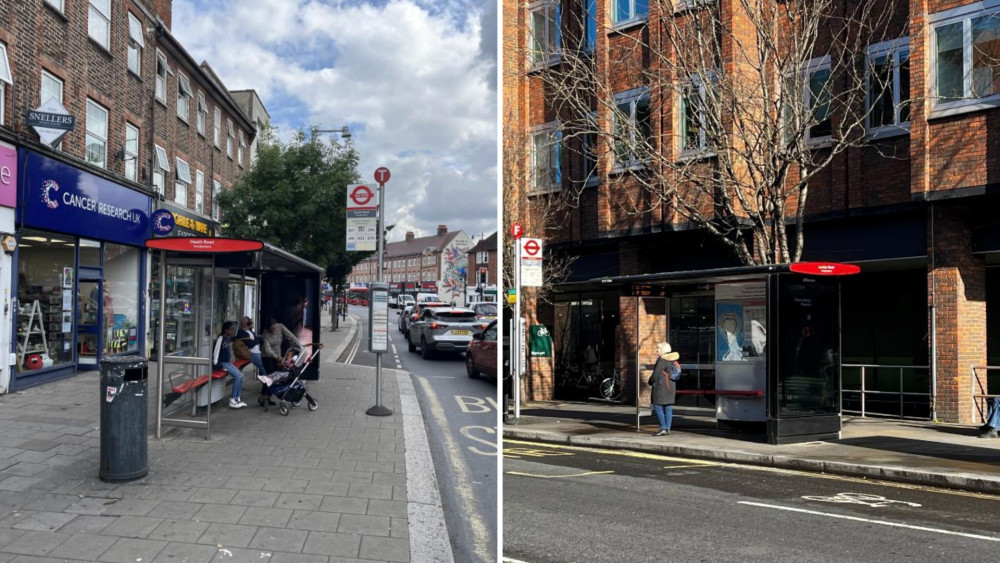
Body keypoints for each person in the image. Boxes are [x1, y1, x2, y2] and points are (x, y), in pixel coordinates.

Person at [648, 342, 681, 436]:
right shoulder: (672, 359)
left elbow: (656, 374)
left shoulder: (662, 360)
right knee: (668, 408)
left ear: (662, 350)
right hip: (671, 386)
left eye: (658, 349)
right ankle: (667, 428)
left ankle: (663, 428)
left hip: (661, 387)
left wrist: (650, 381)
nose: (656, 350)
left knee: (657, 407)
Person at [212, 321, 247, 409]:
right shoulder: (220, 339)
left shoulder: (227, 339)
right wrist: (219, 366)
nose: (232, 332)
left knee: (241, 376)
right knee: (238, 377)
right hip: (222, 363)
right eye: (231, 330)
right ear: (225, 330)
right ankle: (232, 399)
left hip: (227, 362)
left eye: (233, 330)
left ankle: (237, 398)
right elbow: (215, 354)